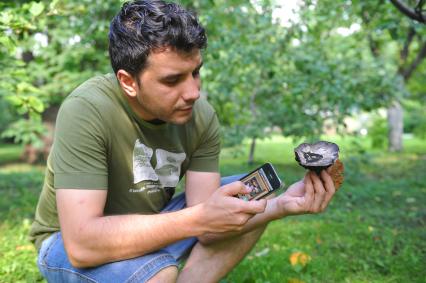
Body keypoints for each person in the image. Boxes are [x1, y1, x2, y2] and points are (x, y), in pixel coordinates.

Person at [29, 1, 337, 282]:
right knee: (159, 274)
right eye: (172, 80)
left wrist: (282, 205)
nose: (193, 92)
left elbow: (211, 229)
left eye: (196, 73)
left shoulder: (200, 117)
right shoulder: (87, 109)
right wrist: (201, 218)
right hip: (66, 243)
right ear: (128, 82)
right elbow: (83, 245)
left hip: (152, 224)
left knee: (247, 196)